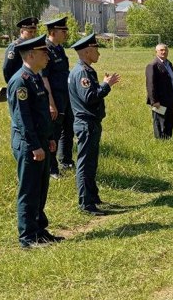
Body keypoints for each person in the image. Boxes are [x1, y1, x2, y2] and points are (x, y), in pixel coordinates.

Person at [7, 34, 62, 248]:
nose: (47, 55)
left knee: (40, 189)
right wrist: (35, 146)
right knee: (29, 191)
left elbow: (42, 114)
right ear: (31, 55)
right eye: (43, 52)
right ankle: (27, 237)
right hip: (29, 145)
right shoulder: (20, 81)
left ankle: (39, 230)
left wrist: (49, 138)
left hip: (41, 142)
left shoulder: (36, 77)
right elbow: (23, 119)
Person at [68, 33, 120, 216]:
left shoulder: (85, 70)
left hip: (90, 123)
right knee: (85, 164)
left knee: (91, 163)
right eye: (96, 49)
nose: (98, 53)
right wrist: (106, 85)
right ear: (87, 52)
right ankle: (86, 203)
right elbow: (89, 98)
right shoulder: (82, 72)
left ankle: (93, 197)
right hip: (86, 124)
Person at [40, 16, 74, 178]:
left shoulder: (59, 48)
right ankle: (52, 168)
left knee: (68, 129)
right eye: (63, 30)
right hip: (55, 97)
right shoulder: (45, 50)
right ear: (53, 32)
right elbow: (44, 78)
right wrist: (51, 103)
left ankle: (66, 161)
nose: (66, 33)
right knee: (53, 133)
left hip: (65, 96)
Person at [146, 43, 173, 139]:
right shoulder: (152, 65)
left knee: (169, 121)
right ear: (156, 52)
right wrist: (154, 101)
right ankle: (159, 142)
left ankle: (168, 140)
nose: (164, 52)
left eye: (166, 50)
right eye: (161, 50)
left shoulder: (169, 64)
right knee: (159, 121)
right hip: (159, 100)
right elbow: (150, 85)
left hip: (169, 97)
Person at [2, 17, 39, 83]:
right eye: (30, 32)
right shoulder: (15, 46)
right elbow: (7, 68)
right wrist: (12, 82)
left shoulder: (33, 45)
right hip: (19, 81)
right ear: (22, 31)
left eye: (35, 32)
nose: (33, 34)